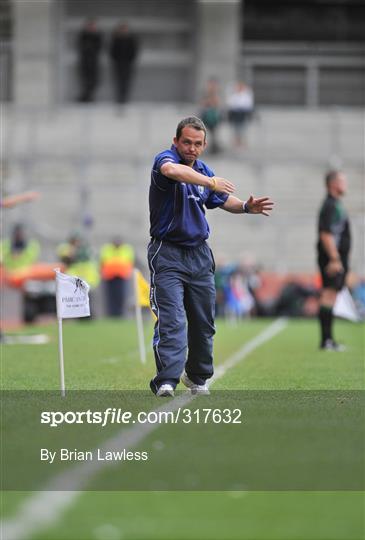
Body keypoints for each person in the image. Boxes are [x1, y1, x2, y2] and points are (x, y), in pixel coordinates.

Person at [148, 116, 274, 397]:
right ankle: (166, 379)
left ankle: (196, 376)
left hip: (199, 254)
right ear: (176, 141)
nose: (192, 148)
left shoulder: (204, 170)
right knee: (173, 319)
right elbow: (175, 172)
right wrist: (210, 182)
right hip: (167, 253)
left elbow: (219, 199)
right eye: (187, 142)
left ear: (204, 145)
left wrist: (244, 206)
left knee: (204, 321)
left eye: (197, 144)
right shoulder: (165, 161)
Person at [317, 170, 351, 351]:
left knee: (332, 295)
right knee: (328, 295)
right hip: (332, 258)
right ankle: (326, 341)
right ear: (333, 184)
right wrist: (334, 258)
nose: (345, 184)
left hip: (337, 258)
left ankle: (328, 340)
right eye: (342, 181)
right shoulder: (330, 205)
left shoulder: (336, 204)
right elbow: (326, 234)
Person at [100, 237, 135, 317]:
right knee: (111, 296)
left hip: (122, 276)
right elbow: (103, 261)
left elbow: (130, 261)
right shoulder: (107, 249)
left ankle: (119, 313)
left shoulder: (127, 249)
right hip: (109, 276)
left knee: (121, 296)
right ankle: (112, 314)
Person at [109, 23, 139, 104]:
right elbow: (112, 51)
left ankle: (124, 97)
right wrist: (116, 59)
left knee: (126, 80)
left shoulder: (131, 39)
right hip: (118, 63)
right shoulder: (116, 39)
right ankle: (120, 97)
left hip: (128, 63)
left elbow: (134, 50)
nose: (124, 31)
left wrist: (130, 59)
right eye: (122, 29)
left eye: (125, 29)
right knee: (119, 80)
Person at [77, 19, 103, 103]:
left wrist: (90, 47)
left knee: (93, 80)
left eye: (92, 26)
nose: (91, 28)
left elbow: (98, 47)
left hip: (94, 61)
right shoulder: (83, 35)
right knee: (85, 79)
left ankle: (89, 96)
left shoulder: (97, 36)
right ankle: (85, 96)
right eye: (90, 26)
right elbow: (81, 46)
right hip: (85, 61)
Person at [226, 81, 254, 147]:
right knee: (235, 128)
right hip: (235, 114)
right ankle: (236, 141)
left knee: (243, 128)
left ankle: (242, 142)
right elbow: (230, 104)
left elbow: (248, 105)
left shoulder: (246, 95)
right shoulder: (233, 95)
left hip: (243, 114)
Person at [200, 78, 222, 154]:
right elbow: (203, 103)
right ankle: (208, 147)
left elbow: (217, 104)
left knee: (214, 133)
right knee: (205, 132)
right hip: (206, 115)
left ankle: (214, 147)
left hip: (214, 116)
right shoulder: (205, 93)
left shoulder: (217, 93)